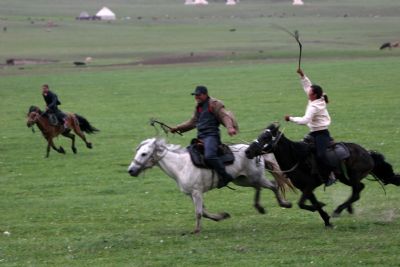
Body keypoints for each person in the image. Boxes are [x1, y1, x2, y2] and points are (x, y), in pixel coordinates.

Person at [170, 85, 238, 188]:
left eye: (198, 95)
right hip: (200, 137)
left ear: (205, 95)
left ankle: (225, 176)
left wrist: (230, 127)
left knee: (209, 156)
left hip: (212, 136)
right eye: (195, 95)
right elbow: (193, 122)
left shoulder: (214, 104)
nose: (196, 97)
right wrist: (177, 128)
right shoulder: (199, 107)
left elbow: (224, 116)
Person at [284, 68, 336, 186]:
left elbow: (305, 120)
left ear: (315, 95)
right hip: (313, 133)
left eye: (310, 93)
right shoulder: (317, 97)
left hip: (322, 134)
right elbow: (308, 86)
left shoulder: (315, 106)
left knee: (321, 155)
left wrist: (291, 118)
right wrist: (302, 76)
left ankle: (330, 174)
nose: (308, 93)